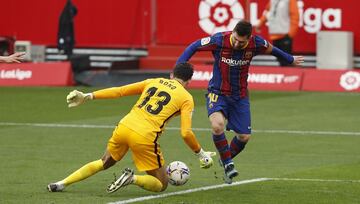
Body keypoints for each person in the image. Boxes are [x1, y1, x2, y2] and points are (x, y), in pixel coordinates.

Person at [47, 62, 216, 193]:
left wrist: (88, 95)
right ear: (188, 81)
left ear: (171, 74)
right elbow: (186, 133)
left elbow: (120, 91)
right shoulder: (186, 98)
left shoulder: (153, 81)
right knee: (161, 184)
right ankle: (132, 178)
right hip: (144, 137)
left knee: (104, 161)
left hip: (124, 126)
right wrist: (201, 154)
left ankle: (61, 183)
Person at [176, 20, 303, 184]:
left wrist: (289, 58)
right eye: (235, 38)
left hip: (240, 96)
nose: (236, 43)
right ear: (233, 32)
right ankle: (229, 164)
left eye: (241, 42)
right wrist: (178, 69)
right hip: (218, 92)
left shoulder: (256, 43)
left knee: (244, 137)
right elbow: (193, 46)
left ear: (249, 38)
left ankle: (225, 158)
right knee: (217, 125)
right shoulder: (219, 40)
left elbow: (272, 49)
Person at [254, 0, 299, 66]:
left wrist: (290, 35)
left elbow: (295, 17)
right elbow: (268, 13)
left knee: (286, 62)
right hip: (275, 36)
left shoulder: (290, 1)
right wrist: (260, 23)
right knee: (280, 61)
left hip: (285, 36)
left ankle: (290, 74)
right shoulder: (273, 1)